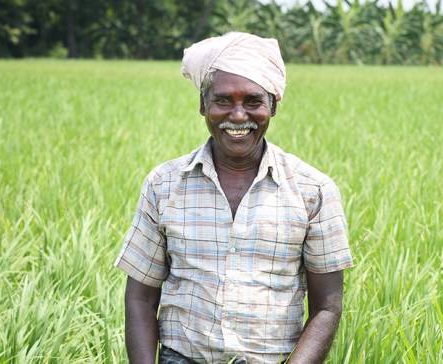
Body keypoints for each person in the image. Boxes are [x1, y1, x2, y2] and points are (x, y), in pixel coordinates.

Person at [114, 32, 353, 364]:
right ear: (203, 105)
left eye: (253, 101)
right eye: (223, 100)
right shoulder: (164, 184)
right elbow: (140, 297)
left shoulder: (313, 191)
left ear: (273, 105)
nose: (238, 116)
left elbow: (327, 306)